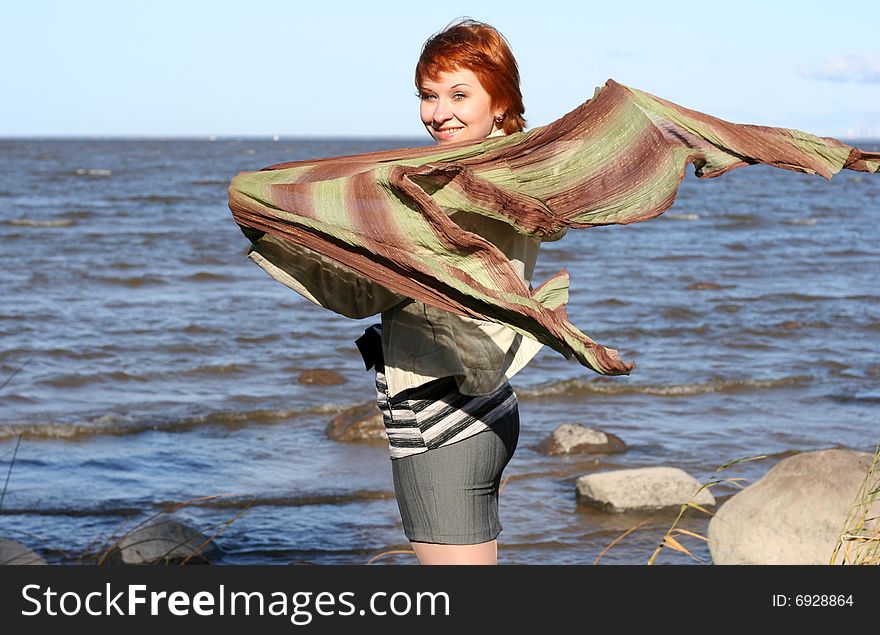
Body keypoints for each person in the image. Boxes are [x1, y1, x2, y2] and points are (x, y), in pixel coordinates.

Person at [244, 17, 564, 565]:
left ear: (501, 100)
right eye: (428, 95)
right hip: (490, 403)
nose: (439, 113)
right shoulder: (521, 171)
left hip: (442, 418)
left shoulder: (458, 184)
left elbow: (373, 289)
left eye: (460, 94)